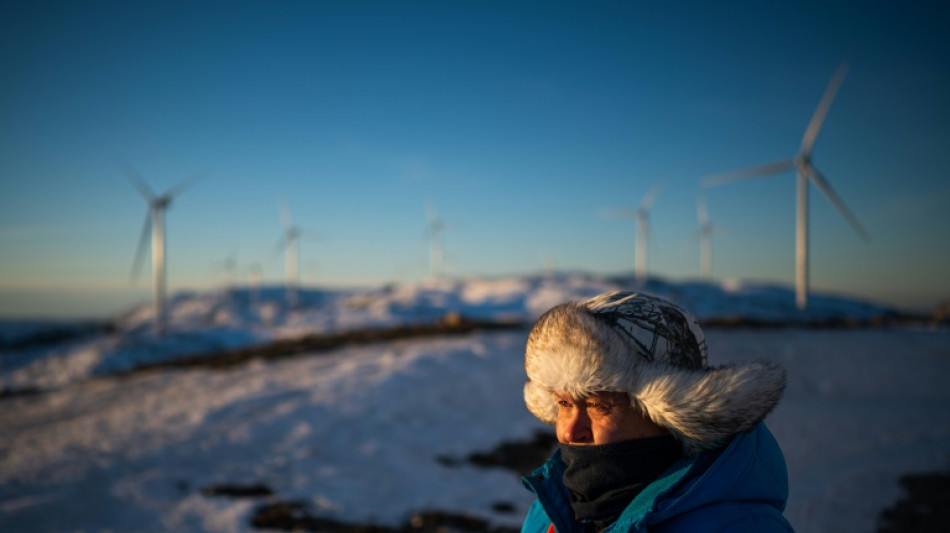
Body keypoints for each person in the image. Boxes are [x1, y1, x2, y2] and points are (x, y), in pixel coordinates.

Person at [520, 291, 794, 533]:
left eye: (598, 405)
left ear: (669, 414)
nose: (569, 430)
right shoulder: (549, 510)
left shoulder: (740, 528)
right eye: (564, 404)